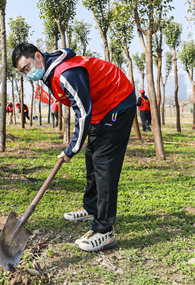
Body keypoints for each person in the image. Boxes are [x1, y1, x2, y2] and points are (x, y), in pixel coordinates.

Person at [12, 43, 136, 252]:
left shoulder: (65, 73)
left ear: (38, 56)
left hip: (118, 101)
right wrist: (77, 146)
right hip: (102, 108)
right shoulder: (49, 73)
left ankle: (104, 230)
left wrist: (71, 148)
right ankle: (91, 207)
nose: (28, 74)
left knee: (104, 162)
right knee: (92, 156)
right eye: (23, 72)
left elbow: (83, 112)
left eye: (27, 67)